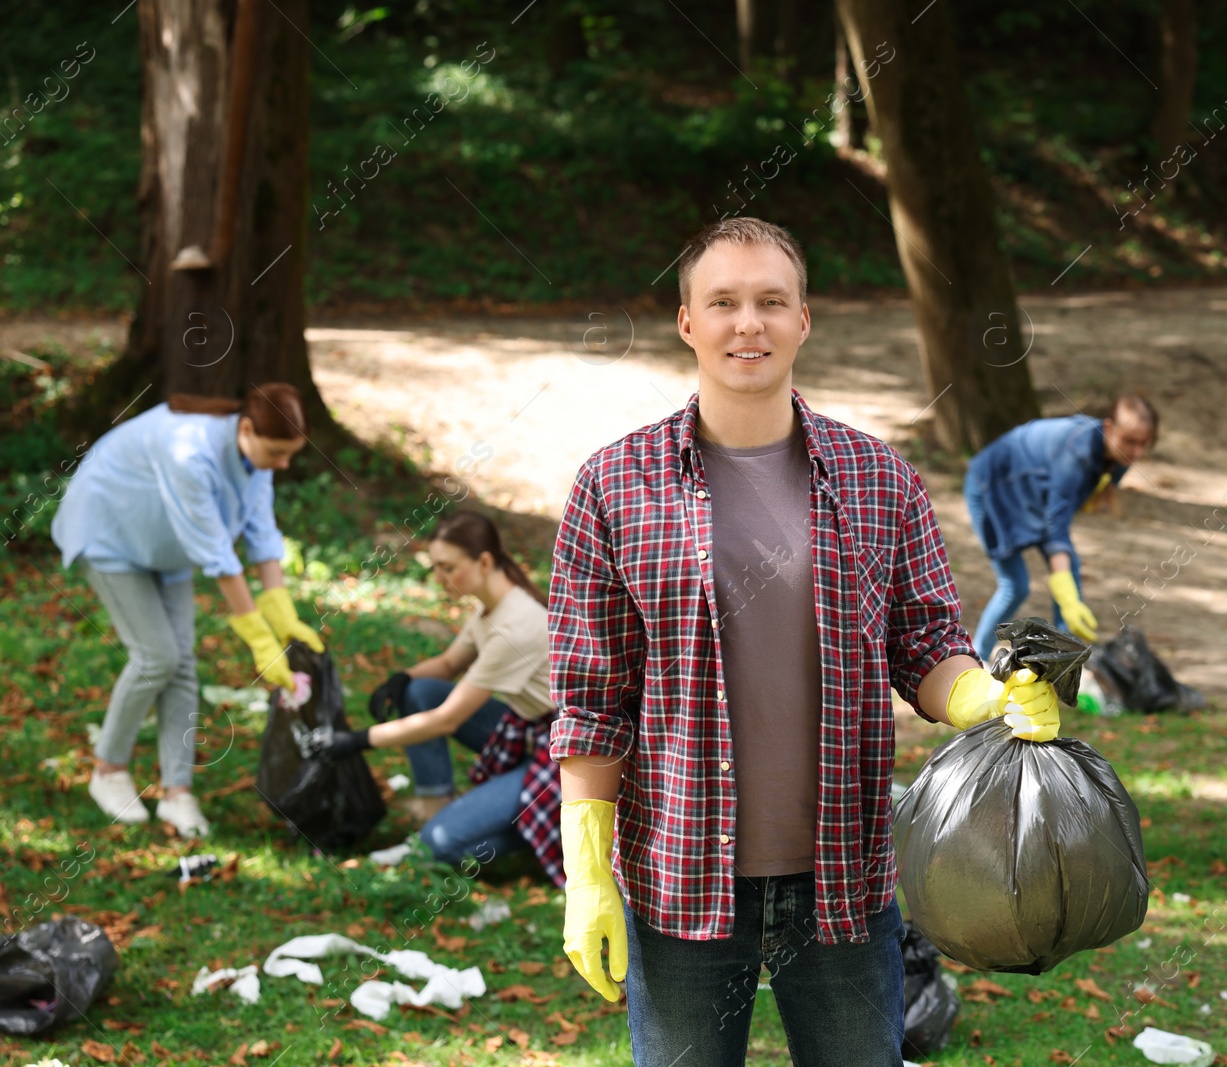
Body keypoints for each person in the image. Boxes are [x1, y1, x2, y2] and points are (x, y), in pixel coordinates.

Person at [547, 217, 1064, 1066]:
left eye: (770, 302)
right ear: (687, 323)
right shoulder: (614, 484)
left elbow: (925, 639)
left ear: (803, 320)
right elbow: (594, 698)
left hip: (845, 877)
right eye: (723, 302)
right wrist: (588, 873)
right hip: (678, 876)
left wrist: (987, 696)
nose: (747, 323)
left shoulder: (879, 477)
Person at [51, 385, 323, 838]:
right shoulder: (189, 452)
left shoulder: (256, 455)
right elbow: (218, 555)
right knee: (156, 656)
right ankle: (108, 769)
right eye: (277, 452)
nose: (283, 464)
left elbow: (260, 531)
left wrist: (282, 613)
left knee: (182, 664)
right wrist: (258, 637)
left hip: (166, 549)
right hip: (110, 538)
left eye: (289, 455)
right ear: (247, 428)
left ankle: (177, 793)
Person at [305, 512, 563, 882]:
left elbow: (447, 719)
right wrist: (402, 678)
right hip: (526, 729)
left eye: (448, 568)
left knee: (434, 849)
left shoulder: (516, 625)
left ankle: (532, 828)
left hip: (557, 755)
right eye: (436, 568)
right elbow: (446, 664)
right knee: (420, 690)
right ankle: (437, 808)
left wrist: (356, 741)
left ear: (484, 561)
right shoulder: (492, 605)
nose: (440, 579)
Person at [963, 396, 1157, 660]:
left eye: (1142, 444)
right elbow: (1057, 530)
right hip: (991, 488)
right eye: (1129, 441)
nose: (1134, 452)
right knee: (1015, 585)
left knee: (1070, 570)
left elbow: (1085, 496)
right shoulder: (1075, 453)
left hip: (1033, 495)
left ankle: (1062, 661)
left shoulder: (1116, 454)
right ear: (1109, 428)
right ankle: (976, 657)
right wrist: (1068, 598)